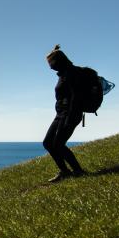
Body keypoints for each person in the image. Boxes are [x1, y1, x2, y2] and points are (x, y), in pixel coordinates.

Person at [43, 45, 86, 183]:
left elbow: (77, 96)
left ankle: (78, 171)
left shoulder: (72, 73)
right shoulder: (63, 74)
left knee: (58, 144)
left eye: (51, 63)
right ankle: (65, 171)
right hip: (61, 114)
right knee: (48, 143)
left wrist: (70, 117)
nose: (50, 67)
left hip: (71, 114)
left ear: (60, 60)